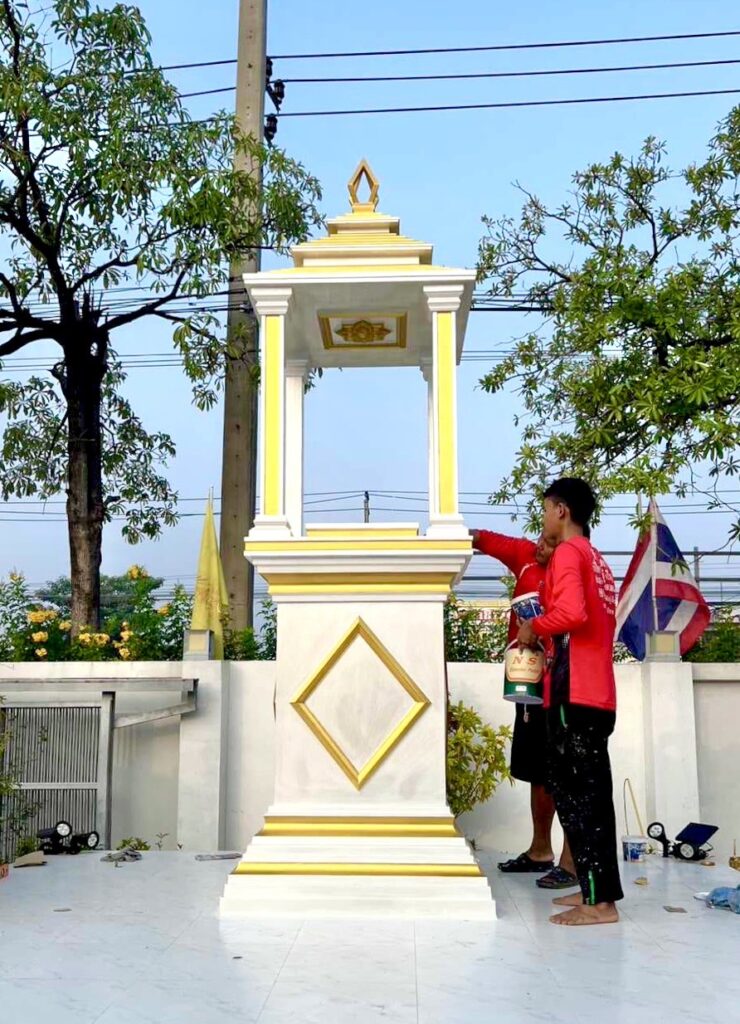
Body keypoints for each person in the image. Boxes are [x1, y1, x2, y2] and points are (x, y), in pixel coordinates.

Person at [517, 478, 623, 926]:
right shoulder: (595, 558)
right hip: (596, 691)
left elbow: (572, 615)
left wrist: (531, 628)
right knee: (586, 794)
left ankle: (600, 904)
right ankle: (592, 891)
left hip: (575, 690)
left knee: (581, 798)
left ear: (561, 510)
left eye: (545, 511)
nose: (543, 521)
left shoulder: (568, 552)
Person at [471, 529, 576, 889]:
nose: (542, 548)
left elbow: (574, 616)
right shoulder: (524, 555)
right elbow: (484, 539)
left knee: (563, 771)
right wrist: (448, 537)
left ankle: (571, 859)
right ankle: (540, 850)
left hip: (561, 683)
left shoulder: (569, 570)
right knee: (536, 768)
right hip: (526, 682)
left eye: (551, 543)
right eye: (541, 541)